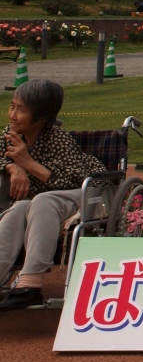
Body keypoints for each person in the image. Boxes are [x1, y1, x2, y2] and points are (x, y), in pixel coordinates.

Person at [0, 80, 105, 310]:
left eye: (21, 109)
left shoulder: (58, 139)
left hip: (87, 191)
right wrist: (14, 168)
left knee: (42, 200)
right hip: (43, 201)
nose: (12, 115)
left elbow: (72, 180)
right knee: (17, 209)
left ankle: (30, 284)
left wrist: (27, 162)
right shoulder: (12, 134)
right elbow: (1, 157)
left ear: (41, 118)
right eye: (12, 106)